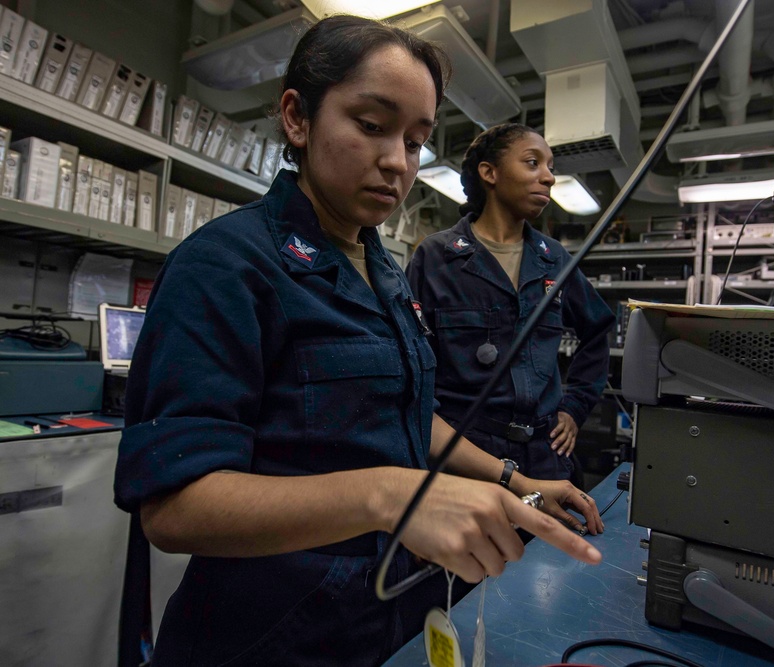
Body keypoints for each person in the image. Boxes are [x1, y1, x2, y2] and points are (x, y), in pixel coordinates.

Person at [113, 16, 603, 667]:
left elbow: (405, 414)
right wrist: (392, 496)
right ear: (297, 117)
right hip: (272, 636)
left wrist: (516, 479)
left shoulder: (385, 272)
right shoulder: (228, 265)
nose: (398, 160)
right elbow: (173, 509)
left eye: (417, 140)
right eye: (372, 126)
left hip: (382, 616)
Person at [406, 123, 615, 483]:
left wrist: (574, 408)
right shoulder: (437, 257)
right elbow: (411, 360)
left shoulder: (554, 259)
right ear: (490, 173)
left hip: (544, 451)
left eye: (551, 167)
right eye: (533, 163)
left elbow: (598, 329)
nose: (548, 177)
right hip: (466, 455)